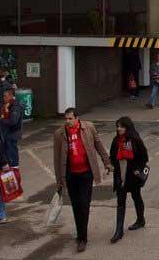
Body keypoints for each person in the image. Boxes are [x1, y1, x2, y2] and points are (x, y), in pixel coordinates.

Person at [54, 107, 112, 252]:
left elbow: (99, 145)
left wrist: (107, 162)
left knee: (84, 205)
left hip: (86, 173)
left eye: (70, 118)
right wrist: (59, 181)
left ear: (77, 118)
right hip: (70, 174)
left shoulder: (89, 128)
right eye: (65, 119)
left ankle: (82, 238)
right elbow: (57, 158)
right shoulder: (59, 134)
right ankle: (80, 233)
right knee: (76, 206)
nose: (67, 122)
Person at [108, 117, 149, 243]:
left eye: (121, 126)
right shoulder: (116, 141)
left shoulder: (135, 140)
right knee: (121, 202)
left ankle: (140, 220)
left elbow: (144, 156)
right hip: (120, 175)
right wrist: (110, 166)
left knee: (136, 197)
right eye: (117, 126)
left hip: (132, 176)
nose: (118, 128)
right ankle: (119, 231)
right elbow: (112, 156)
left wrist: (138, 169)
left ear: (127, 127)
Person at [0, 86, 23, 168]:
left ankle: (14, 168)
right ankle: (11, 168)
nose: (3, 98)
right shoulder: (8, 105)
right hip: (8, 133)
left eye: (5, 96)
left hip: (12, 133)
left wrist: (0, 120)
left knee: (12, 153)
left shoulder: (15, 106)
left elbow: (13, 121)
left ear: (10, 96)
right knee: (8, 152)